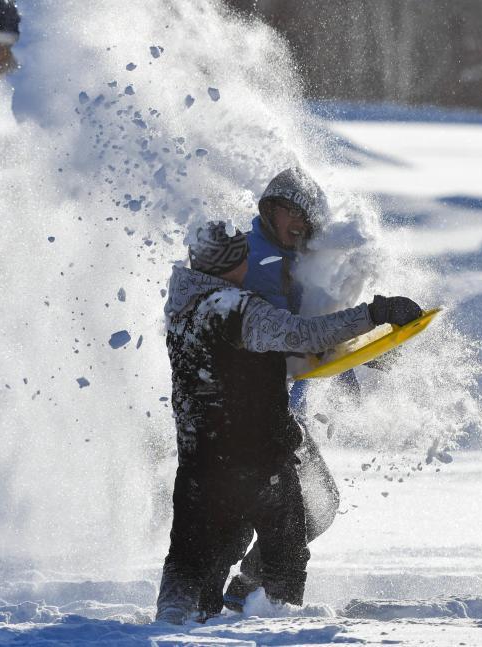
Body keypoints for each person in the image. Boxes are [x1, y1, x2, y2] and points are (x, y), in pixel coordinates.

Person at [156, 222, 422, 623]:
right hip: (257, 463)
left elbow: (269, 354)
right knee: (284, 558)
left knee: (192, 559)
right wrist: (375, 313)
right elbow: (305, 335)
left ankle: (173, 620)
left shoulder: (182, 310)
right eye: (242, 254)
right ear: (233, 262)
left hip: (200, 467)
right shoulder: (235, 310)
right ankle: (271, 620)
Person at [224, 167, 356, 610]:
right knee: (294, 518)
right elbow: (289, 338)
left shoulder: (289, 260)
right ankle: (245, 601)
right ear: (270, 210)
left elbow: (312, 330)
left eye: (307, 217)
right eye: (290, 212)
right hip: (248, 419)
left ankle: (242, 593)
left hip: (279, 416)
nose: (299, 222)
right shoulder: (257, 262)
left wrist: (361, 353)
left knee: (317, 508)